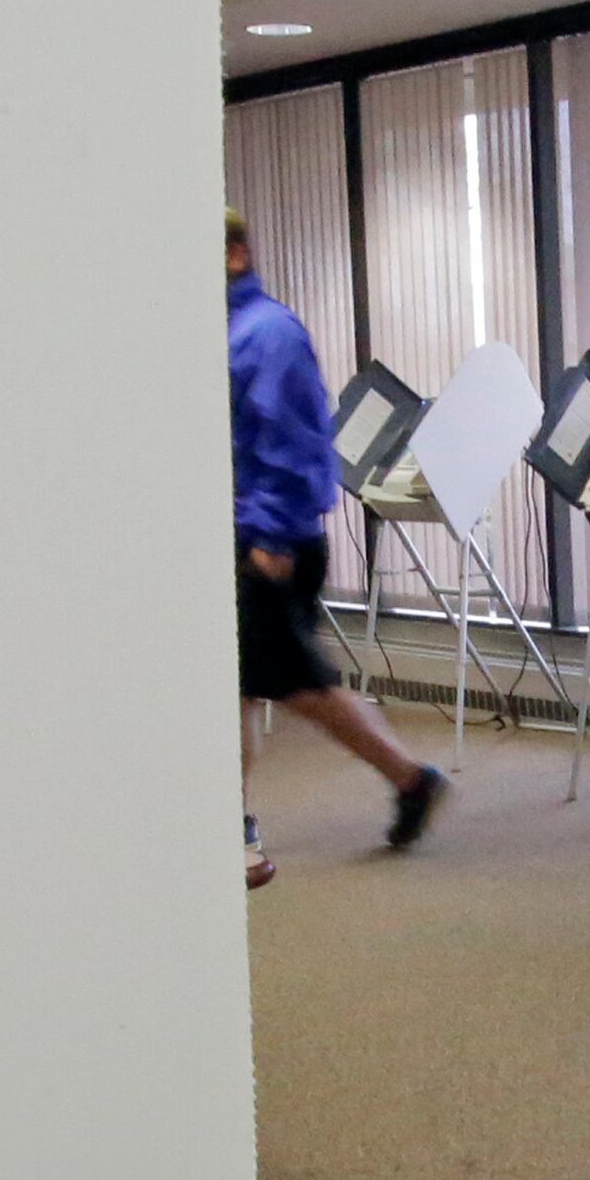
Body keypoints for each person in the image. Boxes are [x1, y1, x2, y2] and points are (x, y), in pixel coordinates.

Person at [229, 209, 445, 887]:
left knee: (300, 687)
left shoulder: (269, 333)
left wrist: (270, 535)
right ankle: (404, 781)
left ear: (235, 254)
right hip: (239, 534)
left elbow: (296, 446)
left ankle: (410, 779)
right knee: (250, 689)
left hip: (270, 540)